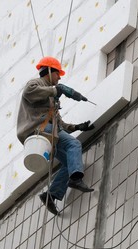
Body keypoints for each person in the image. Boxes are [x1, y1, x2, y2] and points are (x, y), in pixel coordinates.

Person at [17, 56, 95, 215]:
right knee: (74, 145)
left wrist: (77, 127)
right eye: (58, 73)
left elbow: (60, 125)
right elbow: (28, 91)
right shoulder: (36, 84)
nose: (59, 77)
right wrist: (57, 90)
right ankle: (76, 179)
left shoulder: (51, 98)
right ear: (50, 71)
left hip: (48, 133)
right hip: (38, 130)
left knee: (68, 162)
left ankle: (51, 196)